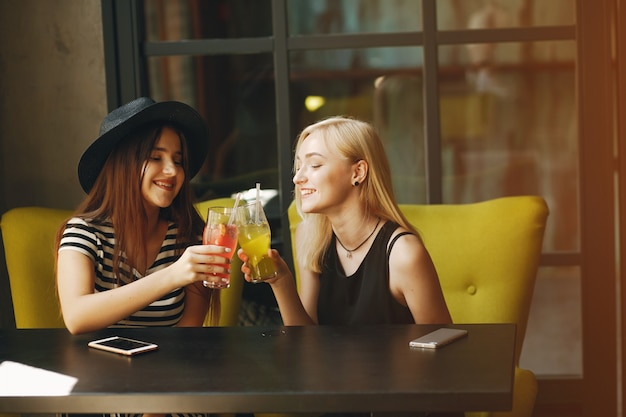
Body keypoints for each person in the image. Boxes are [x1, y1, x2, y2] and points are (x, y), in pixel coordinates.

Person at [238, 115, 452, 327]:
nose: (297, 178)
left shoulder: (403, 254)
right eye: (299, 166)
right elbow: (306, 340)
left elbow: (442, 345)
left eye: (314, 165)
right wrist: (281, 281)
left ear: (358, 172)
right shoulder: (311, 235)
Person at [55, 97, 232, 338]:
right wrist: (173, 275)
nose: (172, 170)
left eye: (178, 160)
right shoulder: (84, 233)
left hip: (168, 370)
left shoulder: (186, 237)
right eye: (155, 157)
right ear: (123, 165)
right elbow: (76, 317)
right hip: (101, 370)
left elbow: (189, 332)